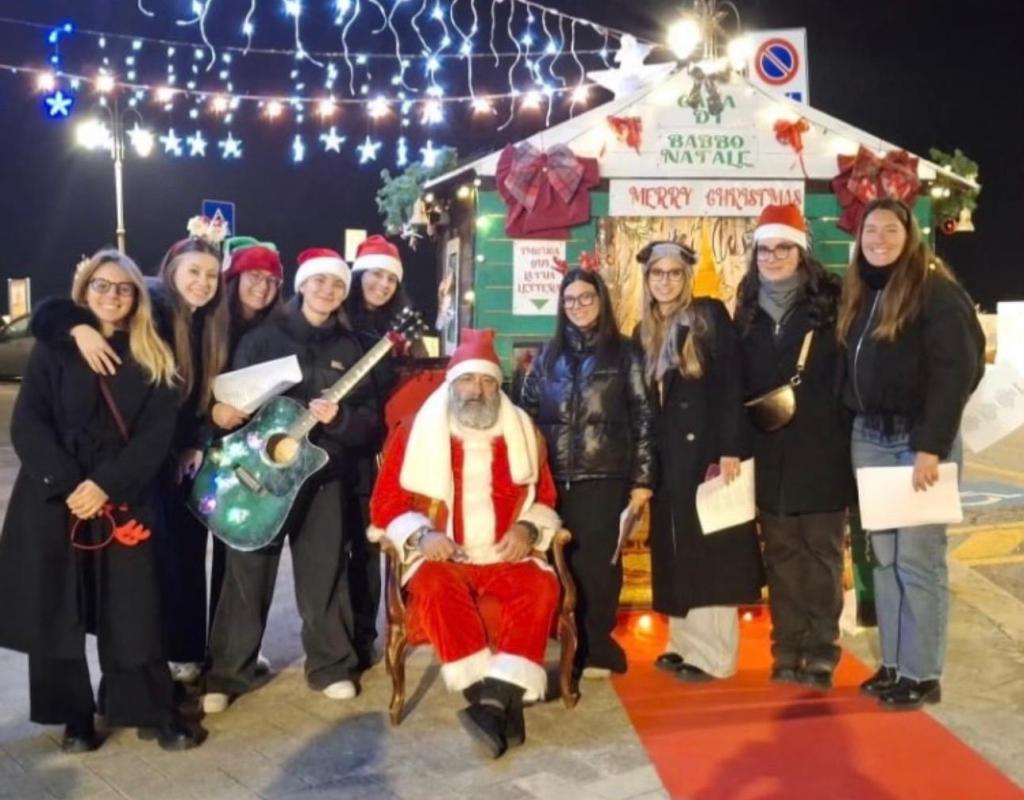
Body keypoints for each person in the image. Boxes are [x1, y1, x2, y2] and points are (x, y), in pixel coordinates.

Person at [0, 250, 202, 752]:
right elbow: (28, 423)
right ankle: (74, 717)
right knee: (58, 608)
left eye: (123, 288)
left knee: (135, 606)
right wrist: (70, 485)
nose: (112, 295)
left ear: (136, 296)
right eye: (101, 286)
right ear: (85, 291)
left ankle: (149, 709)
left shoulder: (154, 353)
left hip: (123, 494)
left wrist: (105, 485)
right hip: (56, 497)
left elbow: (155, 437)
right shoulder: (57, 348)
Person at [30, 221, 230, 686]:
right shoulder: (151, 305)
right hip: (136, 463)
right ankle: (148, 671)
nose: (203, 282)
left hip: (179, 455)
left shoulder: (211, 320)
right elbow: (51, 315)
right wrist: (80, 328)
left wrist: (195, 442)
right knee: (148, 572)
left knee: (182, 557)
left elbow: (198, 396)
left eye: (212, 275)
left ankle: (182, 657)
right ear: (171, 271)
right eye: (194, 271)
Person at [203, 247, 383, 712]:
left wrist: (341, 420)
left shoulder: (350, 347)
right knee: (247, 573)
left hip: (323, 477)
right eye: (319, 281)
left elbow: (370, 423)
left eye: (337, 284)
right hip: (263, 475)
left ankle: (331, 665)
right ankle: (226, 673)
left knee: (324, 571)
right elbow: (234, 406)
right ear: (301, 285)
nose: (328, 290)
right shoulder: (264, 338)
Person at [370, 329, 562, 759]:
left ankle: (492, 705)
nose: (477, 391)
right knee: (435, 587)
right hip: (444, 552)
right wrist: (422, 534)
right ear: (452, 382)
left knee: (542, 586)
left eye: (488, 381)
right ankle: (494, 698)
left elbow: (545, 497)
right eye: (468, 381)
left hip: (502, 552)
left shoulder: (525, 431)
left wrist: (527, 531)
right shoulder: (413, 431)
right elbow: (386, 503)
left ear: (499, 385)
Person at [839, 198, 984, 710]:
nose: (878, 238)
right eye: (869, 229)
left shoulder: (935, 291)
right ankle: (895, 664)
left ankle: (923, 673)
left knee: (918, 561)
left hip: (915, 446)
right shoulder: (861, 290)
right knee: (884, 561)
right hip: (870, 439)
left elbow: (957, 372)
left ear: (909, 234)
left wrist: (931, 447)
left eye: (889, 229)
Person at [735, 204, 853, 689]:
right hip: (770, 456)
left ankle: (822, 648)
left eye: (783, 247)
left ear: (802, 253)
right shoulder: (744, 312)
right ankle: (786, 647)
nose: (773, 256)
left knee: (822, 557)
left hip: (823, 453)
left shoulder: (833, 304)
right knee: (781, 557)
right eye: (765, 248)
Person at [636, 240, 764, 682]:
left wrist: (732, 448)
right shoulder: (647, 329)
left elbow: (732, 384)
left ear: (686, 277)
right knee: (677, 549)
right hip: (672, 459)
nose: (665, 281)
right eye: (658, 274)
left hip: (709, 453)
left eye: (674, 273)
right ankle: (683, 643)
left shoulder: (708, 316)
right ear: (647, 280)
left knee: (713, 553)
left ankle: (715, 655)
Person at [519, 268, 654, 680]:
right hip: (554, 479)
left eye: (586, 298)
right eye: (570, 300)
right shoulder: (546, 356)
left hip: (605, 475)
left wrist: (642, 480)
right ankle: (565, 642)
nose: (578, 306)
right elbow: (524, 413)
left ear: (601, 301)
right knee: (561, 564)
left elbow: (645, 418)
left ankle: (596, 648)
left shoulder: (626, 353)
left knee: (599, 567)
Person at [342, 234, 424, 670]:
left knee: (369, 541)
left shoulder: (399, 329)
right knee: (332, 548)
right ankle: (333, 639)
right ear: (359, 274)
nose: (382, 284)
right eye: (375, 273)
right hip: (335, 444)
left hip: (377, 449)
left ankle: (364, 634)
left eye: (391, 278)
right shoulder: (337, 316)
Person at [206, 236, 285, 647]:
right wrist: (211, 412)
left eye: (272, 280)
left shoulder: (274, 331)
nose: (263, 286)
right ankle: (188, 654)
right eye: (255, 275)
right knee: (186, 558)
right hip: (200, 450)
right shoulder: (209, 320)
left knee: (232, 555)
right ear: (235, 277)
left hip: (245, 456)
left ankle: (224, 651)